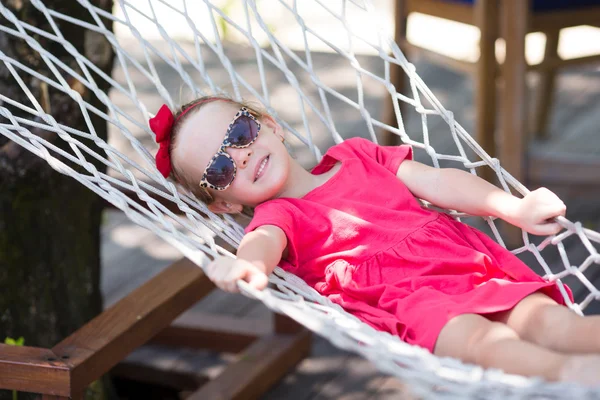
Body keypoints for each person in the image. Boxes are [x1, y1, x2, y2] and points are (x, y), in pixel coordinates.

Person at [149, 95, 600, 385]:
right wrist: (247, 264)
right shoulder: (279, 216)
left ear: (270, 125)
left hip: (467, 265)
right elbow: (262, 243)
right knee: (481, 343)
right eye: (220, 171)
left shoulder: (357, 155)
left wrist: (512, 208)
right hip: (409, 302)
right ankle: (574, 378)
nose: (241, 155)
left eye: (240, 134)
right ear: (225, 204)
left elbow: (439, 182)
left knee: (552, 323)